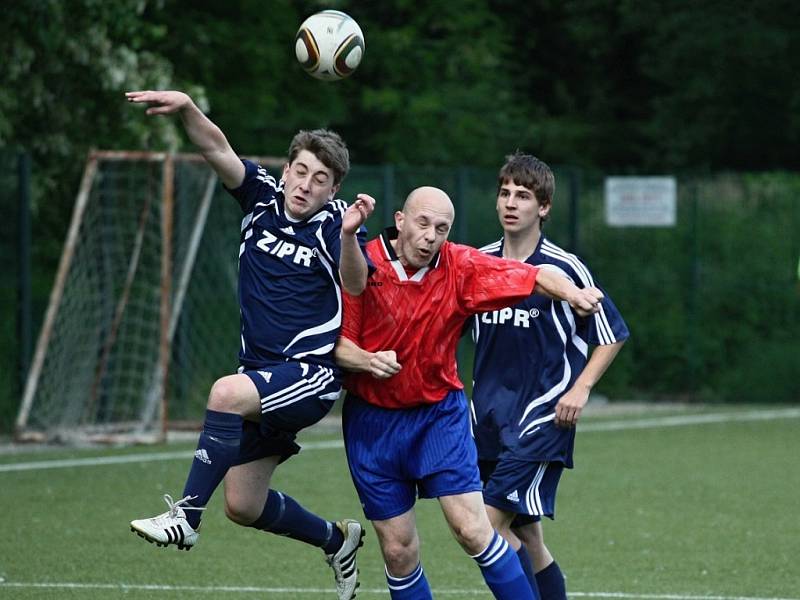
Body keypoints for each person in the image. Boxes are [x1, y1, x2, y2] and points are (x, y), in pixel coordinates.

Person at [125, 90, 375, 600]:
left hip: (312, 375)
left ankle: (185, 517)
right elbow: (217, 149)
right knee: (243, 504)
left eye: (321, 180)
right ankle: (336, 540)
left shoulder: (336, 224)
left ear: (335, 190)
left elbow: (356, 284)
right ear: (285, 169)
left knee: (224, 393)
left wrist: (351, 235)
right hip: (263, 374)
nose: (306, 185)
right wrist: (189, 108)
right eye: (301, 171)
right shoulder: (260, 195)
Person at [334, 186, 605, 600]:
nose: (431, 236)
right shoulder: (362, 263)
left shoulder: (459, 265)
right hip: (372, 422)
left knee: (473, 529)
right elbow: (338, 346)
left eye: (442, 228)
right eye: (423, 223)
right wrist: (369, 361)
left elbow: (531, 276)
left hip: (438, 416)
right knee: (398, 550)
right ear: (401, 220)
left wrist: (573, 293)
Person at [471, 152, 630, 599]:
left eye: (523, 196)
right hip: (487, 419)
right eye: (505, 193)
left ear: (543, 208)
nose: (511, 203)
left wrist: (580, 389)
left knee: (485, 526)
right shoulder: (480, 264)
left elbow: (613, 333)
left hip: (542, 419)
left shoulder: (566, 267)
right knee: (529, 538)